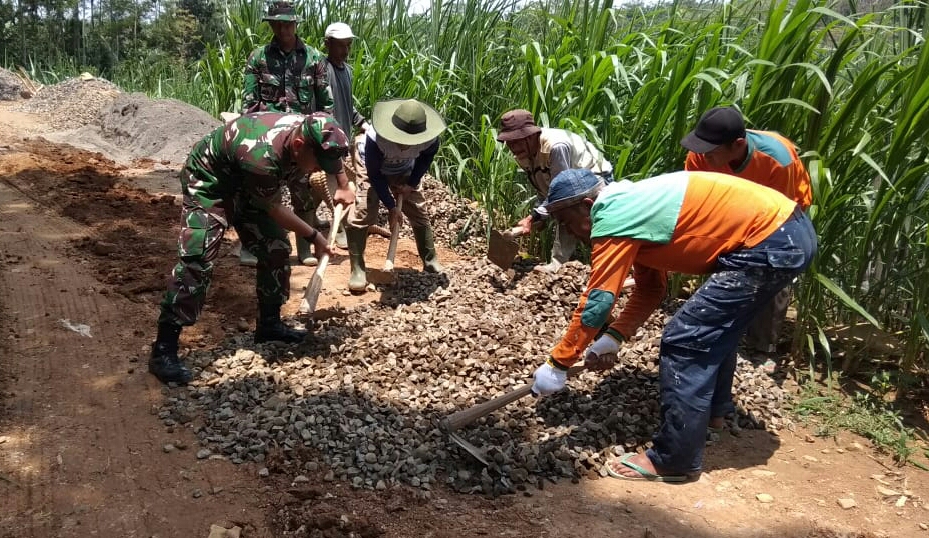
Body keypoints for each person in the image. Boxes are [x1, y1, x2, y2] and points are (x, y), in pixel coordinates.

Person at [530, 168, 816, 481]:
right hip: (787, 232)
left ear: (586, 204)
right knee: (717, 330)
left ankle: (673, 459)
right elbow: (651, 288)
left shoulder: (612, 215)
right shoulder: (633, 211)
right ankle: (714, 416)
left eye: (567, 221)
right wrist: (613, 338)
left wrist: (558, 362)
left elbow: (597, 302)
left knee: (685, 339)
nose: (569, 231)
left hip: (770, 240)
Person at [149, 112, 350, 385]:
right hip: (212, 183)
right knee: (198, 259)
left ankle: (269, 324)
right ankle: (164, 350)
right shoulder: (262, 157)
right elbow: (275, 208)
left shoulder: (314, 132)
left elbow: (332, 156)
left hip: (249, 184)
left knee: (276, 248)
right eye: (317, 163)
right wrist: (315, 236)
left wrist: (344, 184)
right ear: (300, 146)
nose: (318, 169)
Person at [682, 106, 813, 376]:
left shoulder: (777, 160)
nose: (703, 156)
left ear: (737, 145)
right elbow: (695, 197)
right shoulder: (700, 155)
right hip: (727, 207)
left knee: (772, 269)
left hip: (779, 213)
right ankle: (720, 330)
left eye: (711, 152)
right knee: (720, 262)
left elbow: (778, 214)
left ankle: (762, 348)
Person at [239, 0, 336, 267]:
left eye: (288, 24)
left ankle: (304, 249)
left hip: (300, 139)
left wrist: (324, 138)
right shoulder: (259, 58)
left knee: (302, 192)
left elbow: (325, 105)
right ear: (271, 25)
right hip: (267, 138)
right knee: (260, 192)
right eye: (278, 24)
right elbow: (248, 104)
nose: (283, 29)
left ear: (295, 24)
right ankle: (253, 245)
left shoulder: (313, 58)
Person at [345, 99, 446, 292]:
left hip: (403, 167)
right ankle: (357, 269)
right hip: (371, 166)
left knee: (417, 209)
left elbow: (426, 158)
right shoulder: (376, 139)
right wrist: (391, 206)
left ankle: (430, 259)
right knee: (364, 210)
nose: (404, 144)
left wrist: (411, 184)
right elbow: (375, 175)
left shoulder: (430, 139)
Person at [496, 109, 613, 273]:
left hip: (594, 178)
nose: (512, 147)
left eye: (516, 141)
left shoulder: (556, 147)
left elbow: (563, 197)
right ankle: (564, 266)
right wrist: (538, 216)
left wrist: (533, 217)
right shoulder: (523, 153)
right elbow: (544, 187)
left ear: (530, 136)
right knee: (564, 214)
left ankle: (604, 268)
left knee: (576, 217)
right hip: (570, 186)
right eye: (509, 142)